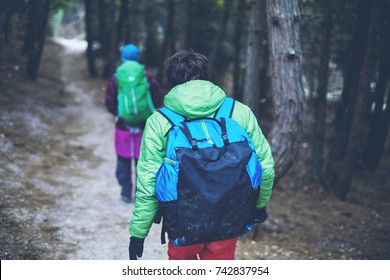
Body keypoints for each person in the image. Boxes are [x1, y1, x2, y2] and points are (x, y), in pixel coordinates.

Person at [128, 50, 274, 260]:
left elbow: (149, 182)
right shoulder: (238, 112)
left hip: (182, 220)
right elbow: (265, 167)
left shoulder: (160, 121)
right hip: (228, 217)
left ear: (172, 80)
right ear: (206, 76)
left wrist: (138, 233)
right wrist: (258, 206)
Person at [105, 44, 163, 203]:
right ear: (138, 57)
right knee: (142, 160)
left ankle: (125, 192)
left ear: (122, 57)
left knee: (123, 159)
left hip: (123, 126)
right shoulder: (146, 76)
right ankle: (141, 194)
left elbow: (109, 100)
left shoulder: (116, 77)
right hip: (145, 125)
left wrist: (119, 113)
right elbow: (158, 98)